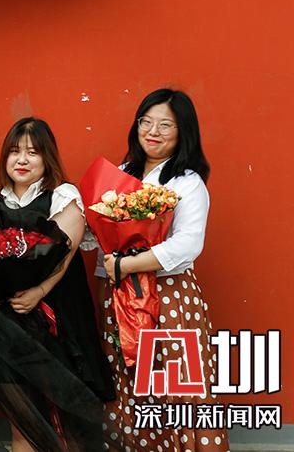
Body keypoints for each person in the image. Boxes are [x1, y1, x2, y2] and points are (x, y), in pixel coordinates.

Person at [0, 117, 114, 452]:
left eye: (32, 152)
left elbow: (63, 255)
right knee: (25, 425)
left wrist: (38, 292)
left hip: (57, 321)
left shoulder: (62, 196)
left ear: (47, 157)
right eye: (14, 151)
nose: (22, 159)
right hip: (6, 329)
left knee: (68, 424)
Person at [97, 89, 229, 451]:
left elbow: (188, 244)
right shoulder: (121, 173)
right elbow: (102, 235)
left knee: (176, 380)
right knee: (127, 381)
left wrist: (128, 264)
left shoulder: (187, 182)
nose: (152, 131)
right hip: (121, 296)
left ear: (183, 131)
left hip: (168, 296)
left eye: (165, 125)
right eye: (146, 121)